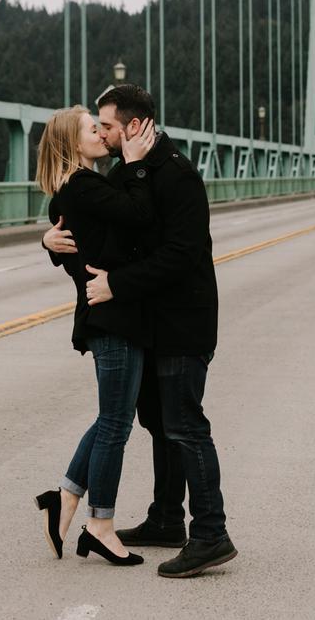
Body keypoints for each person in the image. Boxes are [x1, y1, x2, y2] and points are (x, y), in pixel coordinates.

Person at [44, 84, 238, 579]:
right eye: (97, 127)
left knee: (185, 426)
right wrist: (50, 241)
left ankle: (210, 534)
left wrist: (116, 285)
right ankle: (166, 520)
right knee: (157, 423)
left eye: (106, 125)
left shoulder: (176, 176)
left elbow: (178, 255)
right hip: (149, 321)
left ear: (133, 127)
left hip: (181, 322)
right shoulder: (130, 170)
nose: (102, 134)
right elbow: (97, 227)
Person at [32, 105, 157, 567]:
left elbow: (86, 232)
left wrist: (47, 243)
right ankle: (99, 525)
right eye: (92, 129)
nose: (102, 134)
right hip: (113, 317)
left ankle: (62, 499)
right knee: (115, 425)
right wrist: (138, 163)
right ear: (72, 143)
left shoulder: (77, 190)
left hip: (109, 315)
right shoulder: (82, 186)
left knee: (111, 418)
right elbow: (138, 215)